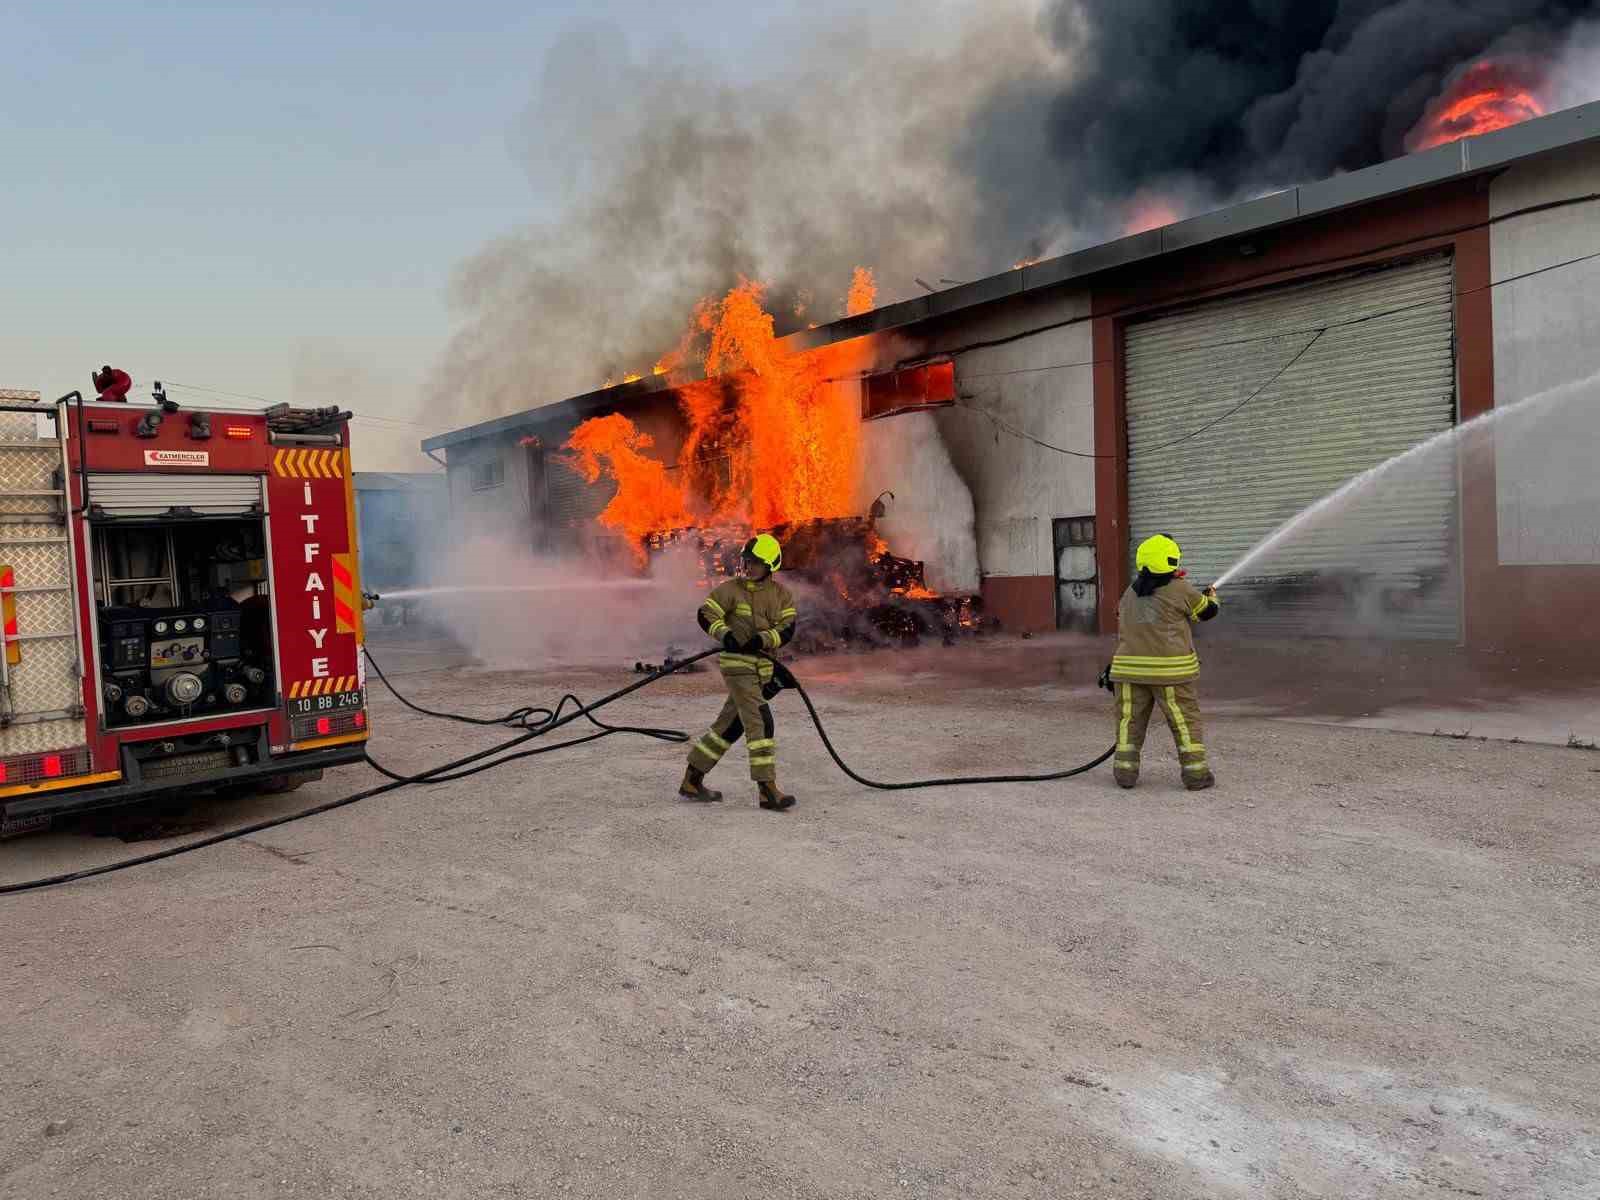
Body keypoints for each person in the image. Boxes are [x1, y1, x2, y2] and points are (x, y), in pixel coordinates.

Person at [679, 533, 799, 811]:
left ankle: (692, 779)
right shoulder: (731, 589)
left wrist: (763, 640)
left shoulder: (782, 595)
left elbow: (787, 629)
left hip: (762, 668)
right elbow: (705, 614)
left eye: (756, 562)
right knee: (761, 720)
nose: (749, 566)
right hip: (737, 666)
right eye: (747, 561)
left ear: (770, 565)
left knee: (730, 725)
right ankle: (767, 789)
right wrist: (726, 635)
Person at [1108, 534, 1220, 791]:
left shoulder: (1129, 592)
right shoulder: (1180, 588)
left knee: (1129, 722)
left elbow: (1123, 618)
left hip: (1128, 671)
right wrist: (1212, 597)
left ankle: (1124, 774)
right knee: (1184, 721)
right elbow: (1207, 612)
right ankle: (1196, 775)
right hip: (1170, 673)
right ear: (1171, 559)